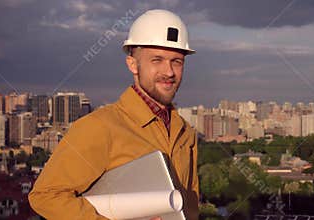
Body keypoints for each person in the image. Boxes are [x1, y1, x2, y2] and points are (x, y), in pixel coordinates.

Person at [28, 9, 199, 220]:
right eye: (157, 60)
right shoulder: (99, 127)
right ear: (132, 64)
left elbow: (190, 207)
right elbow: (46, 196)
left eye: (177, 61)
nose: (169, 72)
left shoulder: (185, 132)